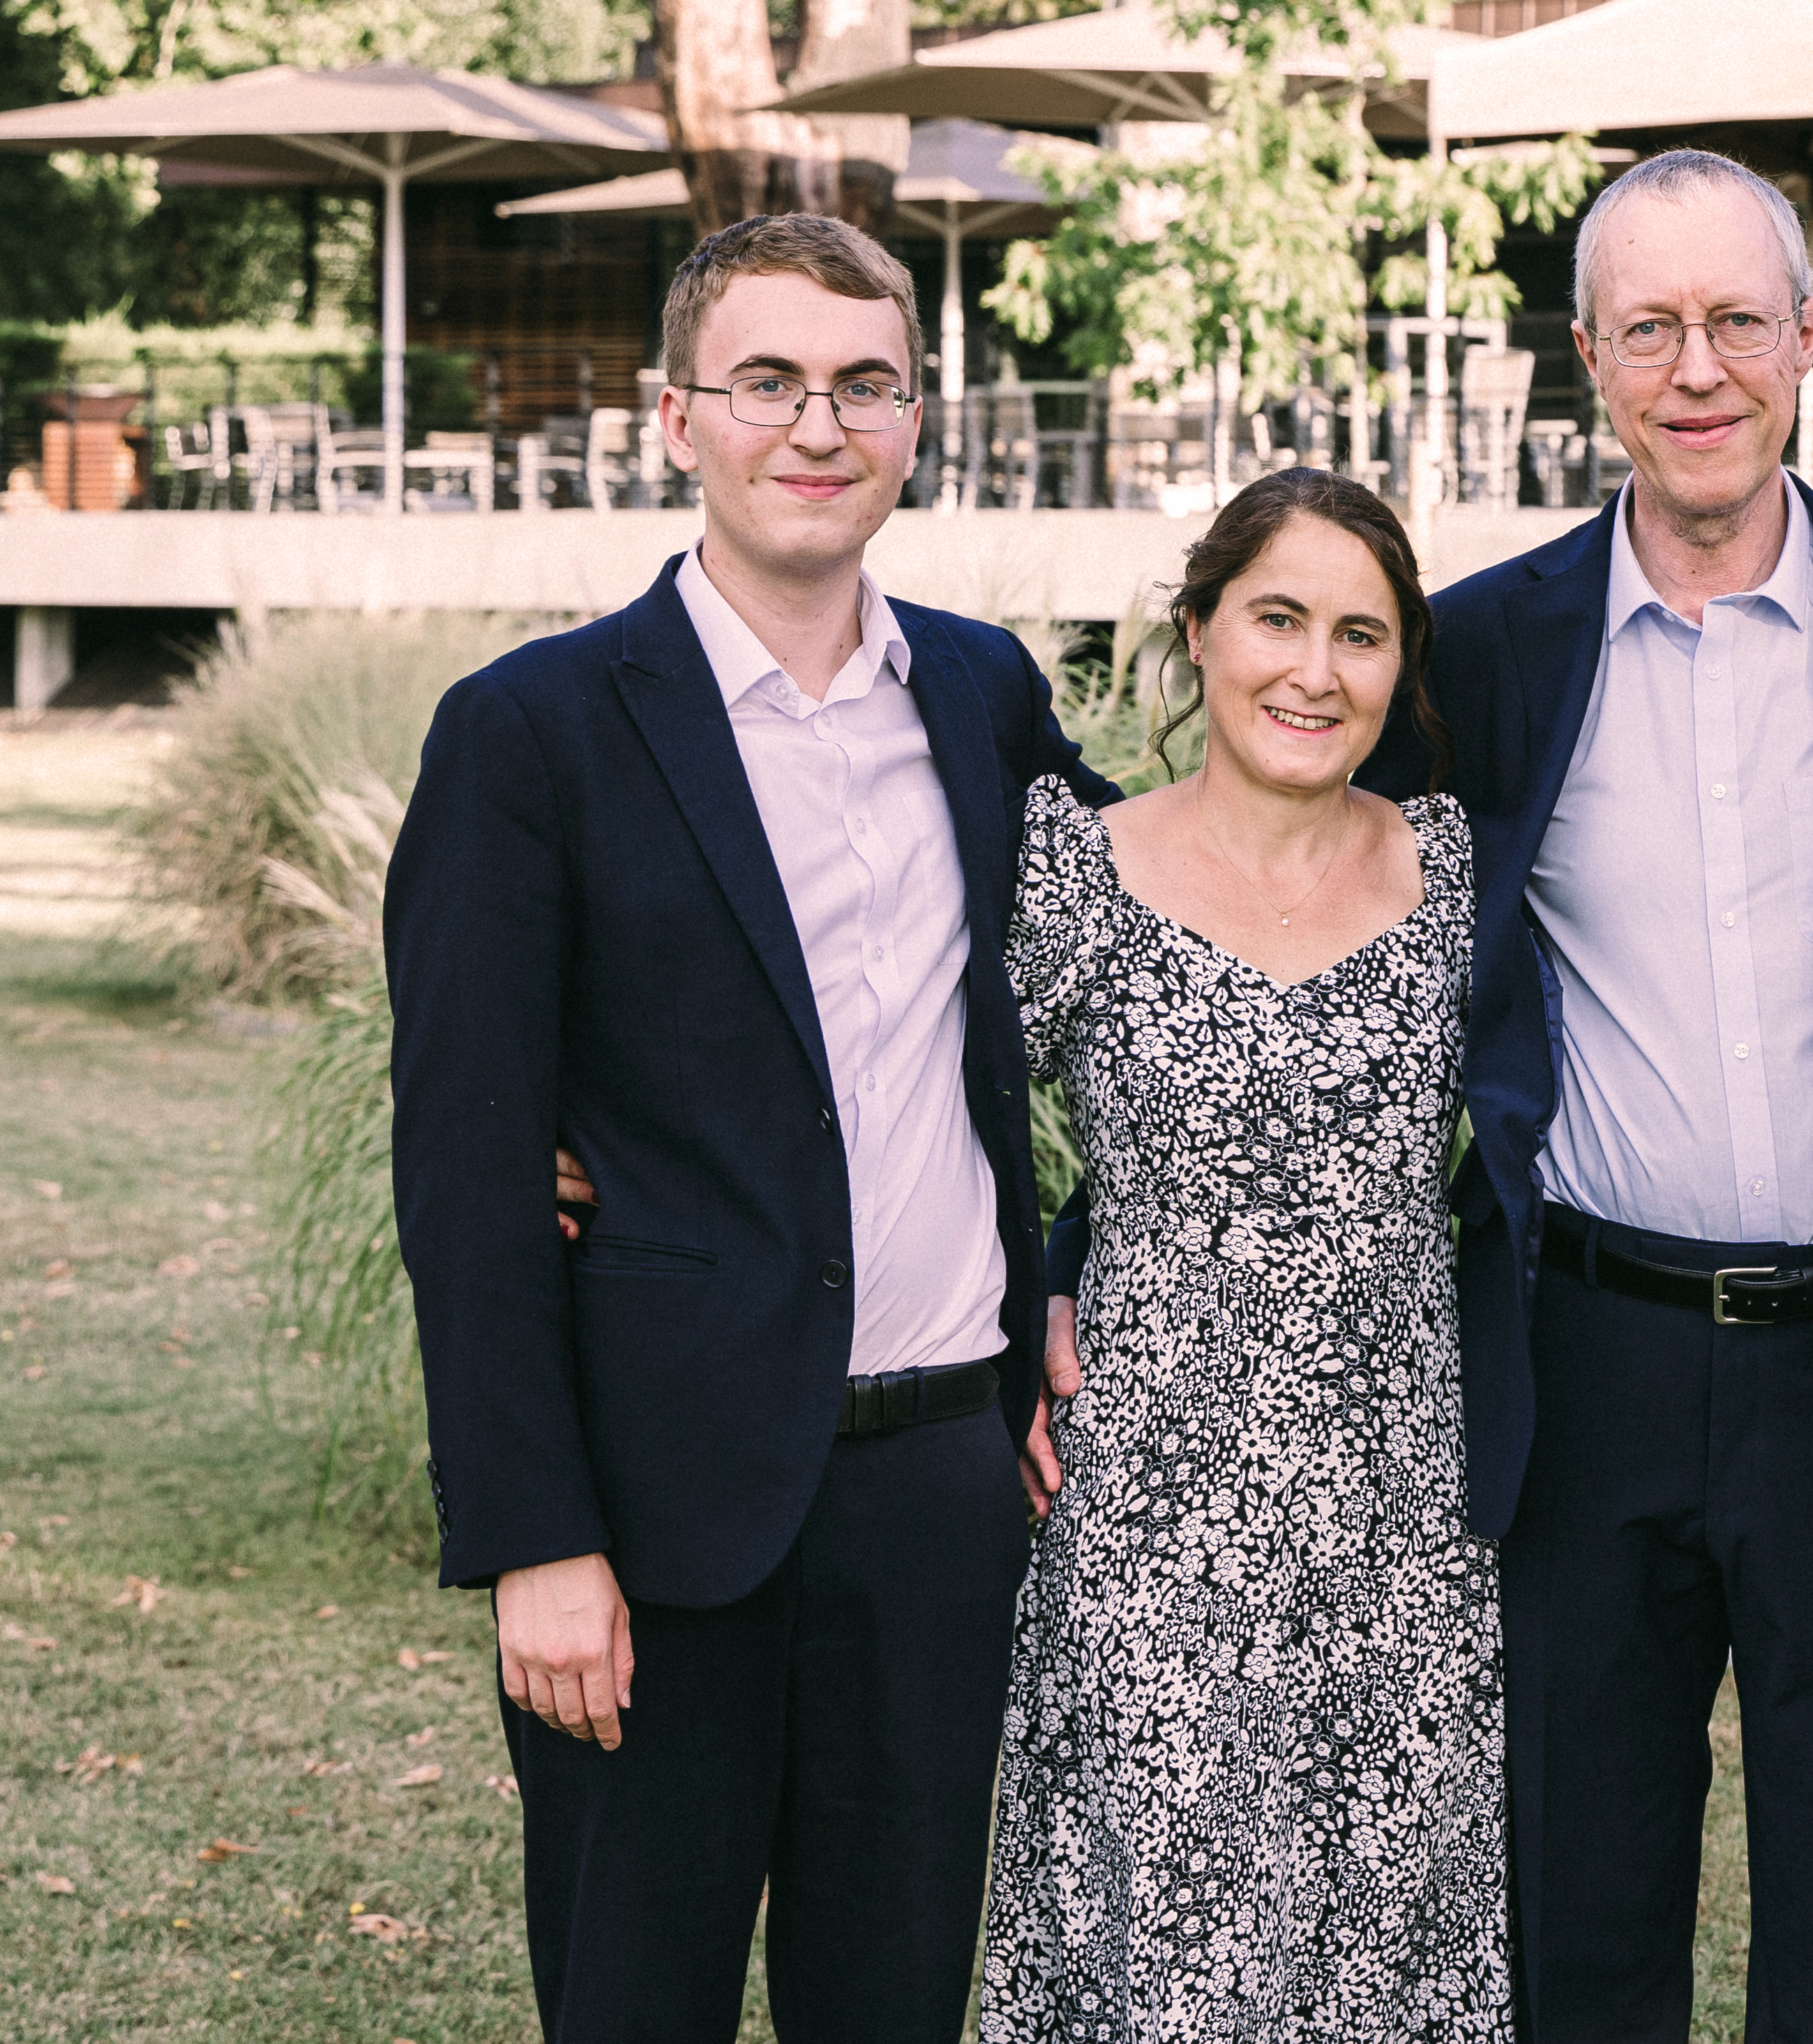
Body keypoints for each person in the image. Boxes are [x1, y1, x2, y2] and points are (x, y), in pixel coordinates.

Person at [1350, 149, 1813, 2041]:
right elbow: (1310, 934)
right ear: (1586, 353)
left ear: (1807, 342)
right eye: (1650, 326)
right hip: (1582, 1363)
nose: (1697, 368)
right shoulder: (1486, 650)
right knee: (1578, 1927)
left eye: (1736, 322)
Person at [384, 213, 1111, 2043]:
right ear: (673, 417)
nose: (817, 424)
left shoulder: (981, 694)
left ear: (918, 420)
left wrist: (1078, 1274)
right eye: (768, 380)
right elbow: (467, 1176)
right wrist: (532, 1537)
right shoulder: (527, 735)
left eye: (864, 383)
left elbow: (1167, 989)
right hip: (652, 1511)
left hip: (944, 1497)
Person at [978, 467, 1505, 2038]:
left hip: (1400, 1529)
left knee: (1385, 1963)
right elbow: (909, 1106)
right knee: (1169, 1967)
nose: (1314, 670)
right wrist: (1028, 1301)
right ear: (1198, 631)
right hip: (1148, 1515)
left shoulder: (1459, 871)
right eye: (1277, 618)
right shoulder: (1073, 872)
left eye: (1361, 635)